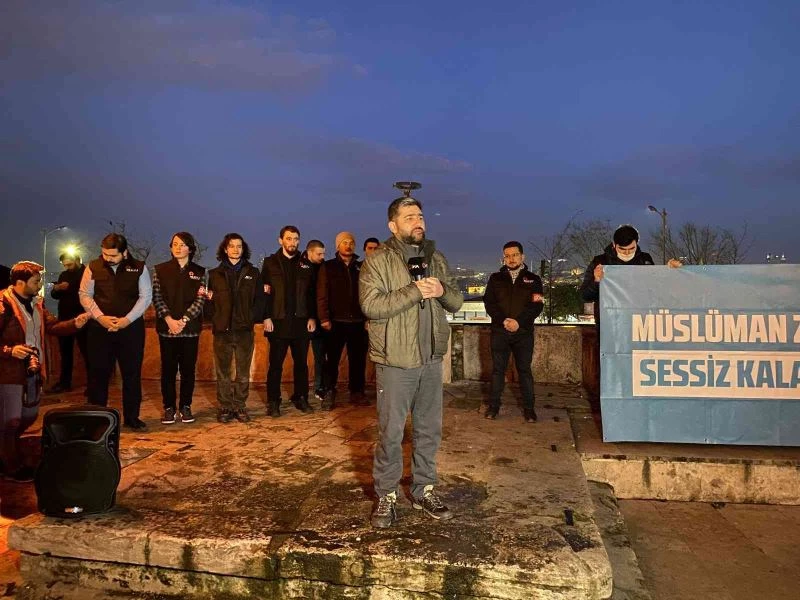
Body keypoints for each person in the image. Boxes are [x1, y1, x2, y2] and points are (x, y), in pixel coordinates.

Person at [359, 195, 463, 528]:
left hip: (431, 359)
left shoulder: (437, 258)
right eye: (409, 217)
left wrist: (441, 291)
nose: (418, 221)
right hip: (395, 362)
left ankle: (423, 490)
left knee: (429, 430)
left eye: (420, 216)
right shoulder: (377, 261)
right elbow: (372, 306)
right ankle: (386, 495)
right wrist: (416, 291)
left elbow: (458, 301)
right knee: (390, 432)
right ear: (393, 225)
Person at [1, 261, 88, 481]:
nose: (40, 284)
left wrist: (75, 324)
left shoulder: (36, 305)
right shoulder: (3, 304)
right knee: (10, 420)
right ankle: (10, 466)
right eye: (36, 281)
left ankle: (6, 451)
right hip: (8, 370)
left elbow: (52, 327)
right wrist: (10, 350)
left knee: (29, 415)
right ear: (20, 282)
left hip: (32, 367)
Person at [580, 225, 680, 406]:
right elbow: (585, 295)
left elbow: (657, 290)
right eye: (622, 249)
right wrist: (596, 281)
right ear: (614, 245)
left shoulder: (645, 260)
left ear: (637, 244)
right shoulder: (600, 262)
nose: (627, 253)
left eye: (631, 249)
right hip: (610, 328)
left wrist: (670, 272)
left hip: (639, 326)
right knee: (610, 371)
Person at [80, 233, 152, 430]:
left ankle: (132, 417)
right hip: (99, 329)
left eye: (113, 255)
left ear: (125, 253)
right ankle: (97, 417)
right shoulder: (93, 266)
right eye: (105, 254)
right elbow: (85, 295)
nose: (108, 259)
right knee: (98, 374)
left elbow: (145, 297)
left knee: (131, 374)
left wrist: (126, 320)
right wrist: (100, 318)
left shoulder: (139, 268)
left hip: (130, 329)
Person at [205, 233, 265, 424]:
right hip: (222, 331)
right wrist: (215, 319)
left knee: (242, 372)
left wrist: (250, 319)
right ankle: (224, 407)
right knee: (222, 372)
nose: (235, 249)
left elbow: (260, 301)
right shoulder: (214, 274)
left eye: (239, 246)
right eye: (231, 246)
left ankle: (239, 406)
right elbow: (209, 301)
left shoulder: (253, 272)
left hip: (244, 331)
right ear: (225, 248)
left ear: (243, 248)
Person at [482, 242, 544, 422]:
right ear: (503, 258)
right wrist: (504, 321)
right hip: (499, 333)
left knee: (524, 371)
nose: (511, 259)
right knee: (497, 371)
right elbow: (489, 303)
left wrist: (519, 322)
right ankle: (493, 408)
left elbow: (537, 305)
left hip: (523, 333)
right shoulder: (495, 278)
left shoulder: (534, 279)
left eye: (515, 255)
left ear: (522, 257)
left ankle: (529, 409)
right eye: (507, 256)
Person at [262, 226, 316, 417]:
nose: (292, 242)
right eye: (289, 238)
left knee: (301, 364)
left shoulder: (306, 263)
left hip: (301, 322)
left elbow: (311, 293)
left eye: (296, 239)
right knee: (275, 365)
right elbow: (264, 293)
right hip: (278, 322)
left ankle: (301, 397)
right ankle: (273, 401)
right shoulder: (270, 263)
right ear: (280, 240)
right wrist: (266, 316)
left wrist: (312, 317)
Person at [152, 232, 206, 425]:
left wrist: (183, 319)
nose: (178, 247)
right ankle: (168, 407)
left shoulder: (200, 271)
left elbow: (200, 299)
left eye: (183, 245)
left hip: (190, 329)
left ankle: (185, 406)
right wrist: (169, 319)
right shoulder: (160, 270)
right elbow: (157, 297)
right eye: (175, 244)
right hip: (167, 329)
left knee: (188, 370)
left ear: (190, 249)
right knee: (167, 370)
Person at [317, 232, 368, 409]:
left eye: (351, 242)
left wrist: (367, 318)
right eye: (344, 242)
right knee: (331, 360)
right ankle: (330, 391)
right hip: (335, 322)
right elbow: (321, 294)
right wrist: (324, 318)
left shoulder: (362, 267)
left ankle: (357, 391)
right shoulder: (329, 267)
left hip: (358, 322)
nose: (348, 245)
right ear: (338, 246)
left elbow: (367, 294)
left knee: (358, 360)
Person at [48, 252, 89, 393]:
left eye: (69, 264)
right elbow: (54, 295)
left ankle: (93, 384)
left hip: (83, 319)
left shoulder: (87, 273)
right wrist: (57, 288)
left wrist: (69, 287)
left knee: (87, 352)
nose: (67, 267)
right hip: (65, 319)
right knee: (65, 353)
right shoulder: (63, 275)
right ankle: (64, 383)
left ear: (77, 260)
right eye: (65, 265)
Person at [302, 240, 327, 402]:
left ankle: (320, 387)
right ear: (309, 252)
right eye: (319, 254)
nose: (322, 257)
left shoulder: (323, 268)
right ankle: (301, 391)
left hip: (320, 321)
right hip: (302, 320)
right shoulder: (298, 267)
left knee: (320, 357)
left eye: (323, 253)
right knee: (301, 358)